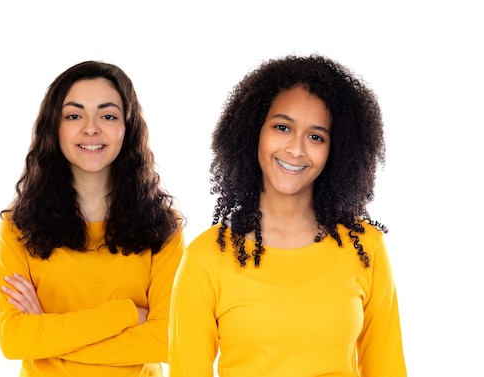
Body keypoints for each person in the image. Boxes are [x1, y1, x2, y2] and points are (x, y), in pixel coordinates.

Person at [168, 54, 407, 377]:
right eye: (282, 127)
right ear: (254, 132)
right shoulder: (206, 258)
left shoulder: (367, 248)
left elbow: (388, 369)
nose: (296, 149)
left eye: (316, 136)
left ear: (335, 150)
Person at [0, 60, 186, 377]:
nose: (91, 127)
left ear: (128, 127)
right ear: (54, 127)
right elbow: (14, 340)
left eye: (108, 115)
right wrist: (126, 313)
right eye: (74, 115)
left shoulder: (163, 226)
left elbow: (167, 339)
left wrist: (48, 338)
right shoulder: (18, 226)